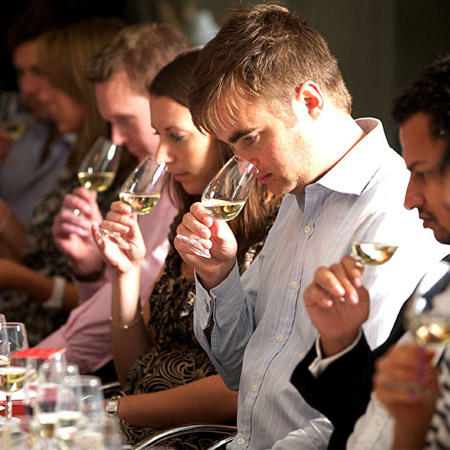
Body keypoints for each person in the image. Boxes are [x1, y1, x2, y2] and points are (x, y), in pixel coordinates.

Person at [174, 5, 448, 448]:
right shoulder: (297, 196)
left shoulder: (398, 212)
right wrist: (219, 276)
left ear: (310, 101)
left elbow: (358, 412)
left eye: (249, 138)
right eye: (231, 146)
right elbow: (239, 372)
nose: (241, 165)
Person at [92, 48, 281, 447]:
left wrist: (113, 407)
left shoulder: (275, 229)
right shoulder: (189, 219)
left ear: (224, 136)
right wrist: (125, 276)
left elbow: (243, 386)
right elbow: (138, 369)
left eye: (176, 136)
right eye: (158, 136)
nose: (160, 156)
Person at [290, 53, 450, 449]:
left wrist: (411, 427)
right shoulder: (438, 289)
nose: (409, 198)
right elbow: (362, 422)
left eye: (423, 173)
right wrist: (342, 341)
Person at [36, 23, 191, 376]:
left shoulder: (184, 193)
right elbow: (114, 314)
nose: (116, 140)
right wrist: (91, 266)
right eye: (109, 123)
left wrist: (26, 368)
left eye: (125, 120)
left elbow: (104, 334)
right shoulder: (150, 181)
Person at [0, 18, 127, 346]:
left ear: (79, 84)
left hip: (53, 341)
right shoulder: (82, 158)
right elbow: (38, 255)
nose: (35, 93)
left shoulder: (118, 169)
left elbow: (103, 300)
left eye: (49, 80)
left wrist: (19, 278)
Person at [0, 0, 93, 228]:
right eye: (21, 73)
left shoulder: (91, 153)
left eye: (39, 72)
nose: (27, 88)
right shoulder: (20, 131)